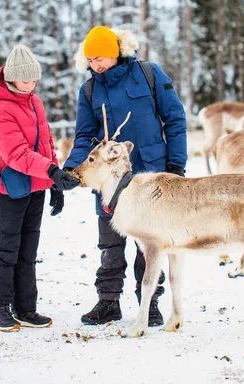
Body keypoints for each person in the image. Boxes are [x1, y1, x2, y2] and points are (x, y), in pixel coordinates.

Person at [64, 26, 188, 326]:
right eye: (91, 60)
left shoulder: (148, 73)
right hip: (109, 181)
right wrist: (71, 168)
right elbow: (83, 136)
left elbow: (175, 119)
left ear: (117, 51)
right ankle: (108, 302)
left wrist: (176, 165)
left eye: (102, 57)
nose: (97, 65)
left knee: (150, 242)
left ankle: (150, 302)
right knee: (110, 242)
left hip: (151, 175)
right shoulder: (89, 90)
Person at [0, 44, 80, 332]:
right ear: (12, 78)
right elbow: (16, 153)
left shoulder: (35, 102)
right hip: (10, 186)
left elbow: (46, 144)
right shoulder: (0, 109)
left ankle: (26, 308)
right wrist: (50, 170)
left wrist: (54, 182)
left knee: (28, 249)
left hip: (36, 184)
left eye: (35, 79)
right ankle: (0, 308)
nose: (32, 85)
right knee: (7, 247)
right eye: (27, 80)